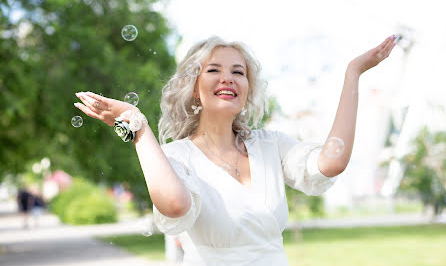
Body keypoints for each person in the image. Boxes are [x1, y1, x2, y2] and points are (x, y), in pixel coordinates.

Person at [74, 34, 396, 265]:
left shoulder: (271, 145)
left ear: (246, 91)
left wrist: (353, 73)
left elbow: (333, 160)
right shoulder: (176, 156)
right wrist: (138, 127)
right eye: (213, 70)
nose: (227, 78)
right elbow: (174, 206)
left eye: (238, 72)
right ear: (195, 90)